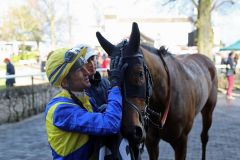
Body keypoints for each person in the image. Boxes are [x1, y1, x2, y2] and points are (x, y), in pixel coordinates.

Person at [44, 45, 126, 160]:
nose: (87, 72)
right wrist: (115, 85)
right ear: (65, 82)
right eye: (79, 69)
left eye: (83, 65)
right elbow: (110, 124)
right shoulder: (60, 110)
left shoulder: (85, 98)